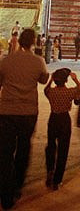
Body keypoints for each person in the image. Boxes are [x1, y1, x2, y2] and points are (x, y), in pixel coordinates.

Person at [0, 28, 49, 209]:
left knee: (5, 153)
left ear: (19, 41)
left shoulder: (6, 61)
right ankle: (17, 186)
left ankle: (5, 192)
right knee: (23, 149)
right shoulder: (38, 61)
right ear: (34, 41)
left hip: (6, 111)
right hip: (28, 112)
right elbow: (43, 80)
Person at [44, 68, 80, 190]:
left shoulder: (51, 92)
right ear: (66, 80)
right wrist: (76, 79)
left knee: (51, 145)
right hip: (64, 119)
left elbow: (45, 90)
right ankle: (57, 180)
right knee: (63, 149)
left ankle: (50, 169)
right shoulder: (69, 92)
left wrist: (50, 79)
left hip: (53, 118)